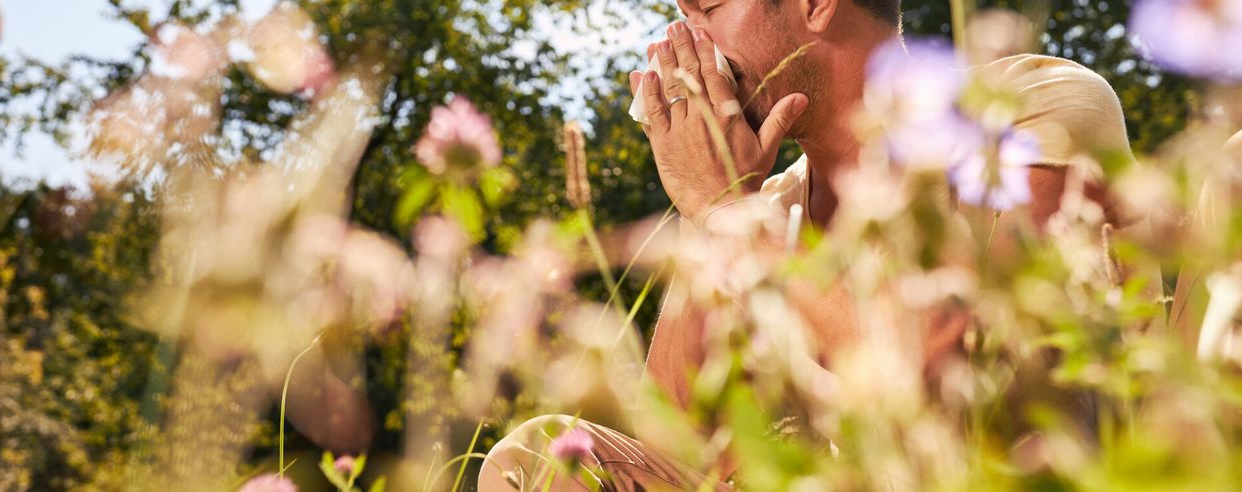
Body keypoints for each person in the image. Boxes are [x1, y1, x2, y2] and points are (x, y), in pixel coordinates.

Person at [478, 0, 1141, 489]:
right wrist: (708, 216)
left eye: (705, 8)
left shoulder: (1028, 106)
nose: (684, 42)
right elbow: (674, 450)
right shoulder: (753, 209)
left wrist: (727, 214)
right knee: (542, 456)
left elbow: (957, 382)